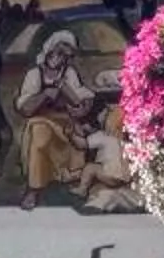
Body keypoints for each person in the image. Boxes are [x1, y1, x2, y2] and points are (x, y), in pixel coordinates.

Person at [13, 28, 102, 209]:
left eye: (66, 56)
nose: (61, 59)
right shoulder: (35, 74)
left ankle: (74, 182)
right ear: (50, 51)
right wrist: (45, 95)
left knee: (76, 135)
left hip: (66, 121)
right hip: (41, 120)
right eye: (59, 53)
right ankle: (34, 188)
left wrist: (82, 105)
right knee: (39, 135)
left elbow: (81, 96)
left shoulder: (68, 73)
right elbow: (25, 108)